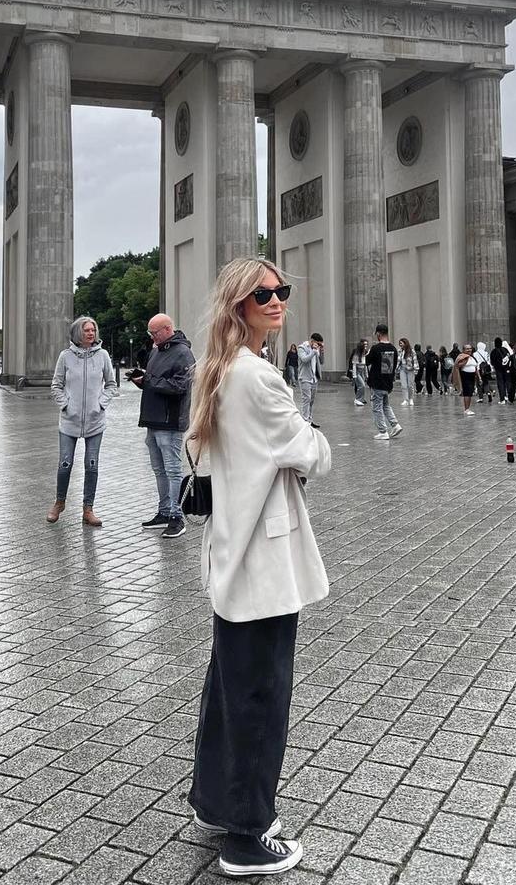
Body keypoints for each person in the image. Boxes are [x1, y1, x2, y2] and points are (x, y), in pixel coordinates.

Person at [187, 258, 328, 877]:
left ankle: (217, 802)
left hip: (232, 550)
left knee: (229, 688)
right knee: (260, 697)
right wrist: (307, 441)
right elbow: (313, 451)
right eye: (263, 294)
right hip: (264, 557)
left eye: (282, 291)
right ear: (239, 304)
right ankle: (247, 834)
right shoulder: (260, 378)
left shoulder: (217, 371)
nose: (277, 301)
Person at [49, 316, 118, 527]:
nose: (91, 333)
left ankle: (88, 509)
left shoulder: (103, 355)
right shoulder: (65, 356)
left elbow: (111, 384)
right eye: (87, 330)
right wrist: (65, 404)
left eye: (93, 330)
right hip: (69, 421)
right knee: (65, 463)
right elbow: (56, 385)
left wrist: (101, 404)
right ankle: (59, 502)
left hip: (95, 422)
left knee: (92, 464)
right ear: (78, 333)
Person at [132, 313, 195, 539]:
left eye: (154, 333)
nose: (151, 337)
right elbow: (154, 381)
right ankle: (164, 511)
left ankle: (176, 517)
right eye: (150, 333)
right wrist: (142, 380)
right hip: (152, 419)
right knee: (159, 470)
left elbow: (180, 386)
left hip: (170, 421)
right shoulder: (157, 350)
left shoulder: (183, 353)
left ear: (167, 330)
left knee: (172, 470)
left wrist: (148, 380)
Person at [367, 324, 401, 439]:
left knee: (377, 408)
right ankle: (395, 425)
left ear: (378, 334)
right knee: (386, 405)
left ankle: (383, 431)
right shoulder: (394, 349)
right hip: (387, 383)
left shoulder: (376, 349)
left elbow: (366, 361)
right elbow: (392, 367)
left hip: (377, 383)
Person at [296, 333, 324, 422]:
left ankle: (310, 419)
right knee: (306, 399)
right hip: (305, 377)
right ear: (312, 341)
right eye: (318, 343)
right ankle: (305, 421)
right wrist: (314, 351)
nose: (319, 345)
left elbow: (321, 361)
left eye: (320, 344)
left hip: (314, 378)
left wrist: (322, 351)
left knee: (311, 400)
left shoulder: (316, 350)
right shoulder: (302, 347)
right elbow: (304, 360)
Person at [454, 344, 477, 415]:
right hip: (465, 376)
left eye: (470, 348)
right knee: (467, 393)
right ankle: (466, 409)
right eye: (467, 349)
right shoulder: (461, 357)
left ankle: (468, 408)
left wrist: (478, 376)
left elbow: (476, 367)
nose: (469, 350)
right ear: (463, 350)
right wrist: (465, 360)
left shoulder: (472, 357)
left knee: (470, 393)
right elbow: (457, 365)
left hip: (472, 376)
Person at [348, 339, 368, 406]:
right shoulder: (356, 356)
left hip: (362, 372)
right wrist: (354, 376)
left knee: (362, 386)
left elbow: (365, 366)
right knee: (361, 385)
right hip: (357, 372)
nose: (365, 347)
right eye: (364, 346)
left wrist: (366, 374)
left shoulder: (364, 355)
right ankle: (357, 399)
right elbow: (354, 366)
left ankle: (360, 399)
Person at [490, 337, 510, 404]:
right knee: (506, 382)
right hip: (506, 369)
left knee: (500, 383)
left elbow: (492, 362)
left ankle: (502, 398)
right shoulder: (505, 349)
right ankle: (507, 396)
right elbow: (509, 357)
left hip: (498, 369)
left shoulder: (494, 351)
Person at [397, 338, 416, 406]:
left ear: (405, 343)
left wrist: (416, 369)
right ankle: (405, 399)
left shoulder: (412, 351)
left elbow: (415, 360)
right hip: (402, 368)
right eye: (399, 343)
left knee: (410, 385)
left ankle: (411, 399)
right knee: (403, 385)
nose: (400, 345)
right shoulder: (399, 351)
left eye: (401, 343)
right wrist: (396, 369)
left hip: (410, 369)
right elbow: (398, 361)